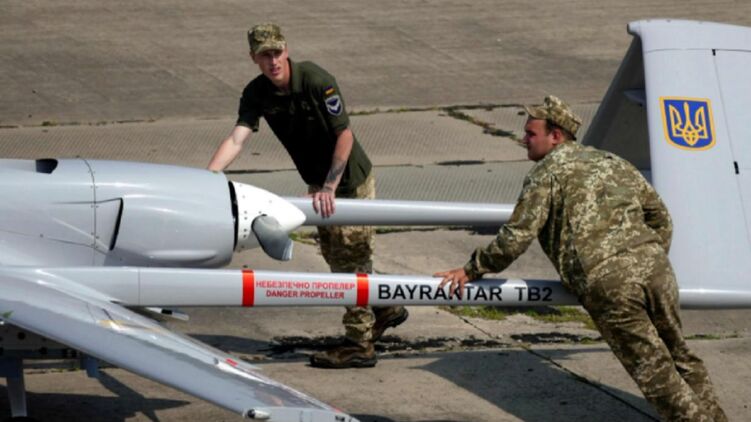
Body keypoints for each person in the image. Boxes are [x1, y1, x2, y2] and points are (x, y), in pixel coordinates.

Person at [435, 95, 727, 421]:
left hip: (609, 282)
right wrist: (648, 256)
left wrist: (472, 269)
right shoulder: (612, 162)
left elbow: (516, 237)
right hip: (656, 270)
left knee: (656, 374)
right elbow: (661, 218)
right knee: (681, 356)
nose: (524, 139)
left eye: (531, 133)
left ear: (556, 135)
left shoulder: (545, 173)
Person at [208, 23, 407, 369]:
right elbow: (238, 138)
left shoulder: (316, 80)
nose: (273, 61)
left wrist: (330, 186)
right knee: (337, 257)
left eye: (277, 53)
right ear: (253, 58)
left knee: (349, 265)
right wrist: (208, 178)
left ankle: (359, 344)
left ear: (287, 51)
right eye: (265, 55)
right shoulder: (257, 92)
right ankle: (385, 305)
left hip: (349, 183)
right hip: (320, 185)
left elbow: (344, 134)